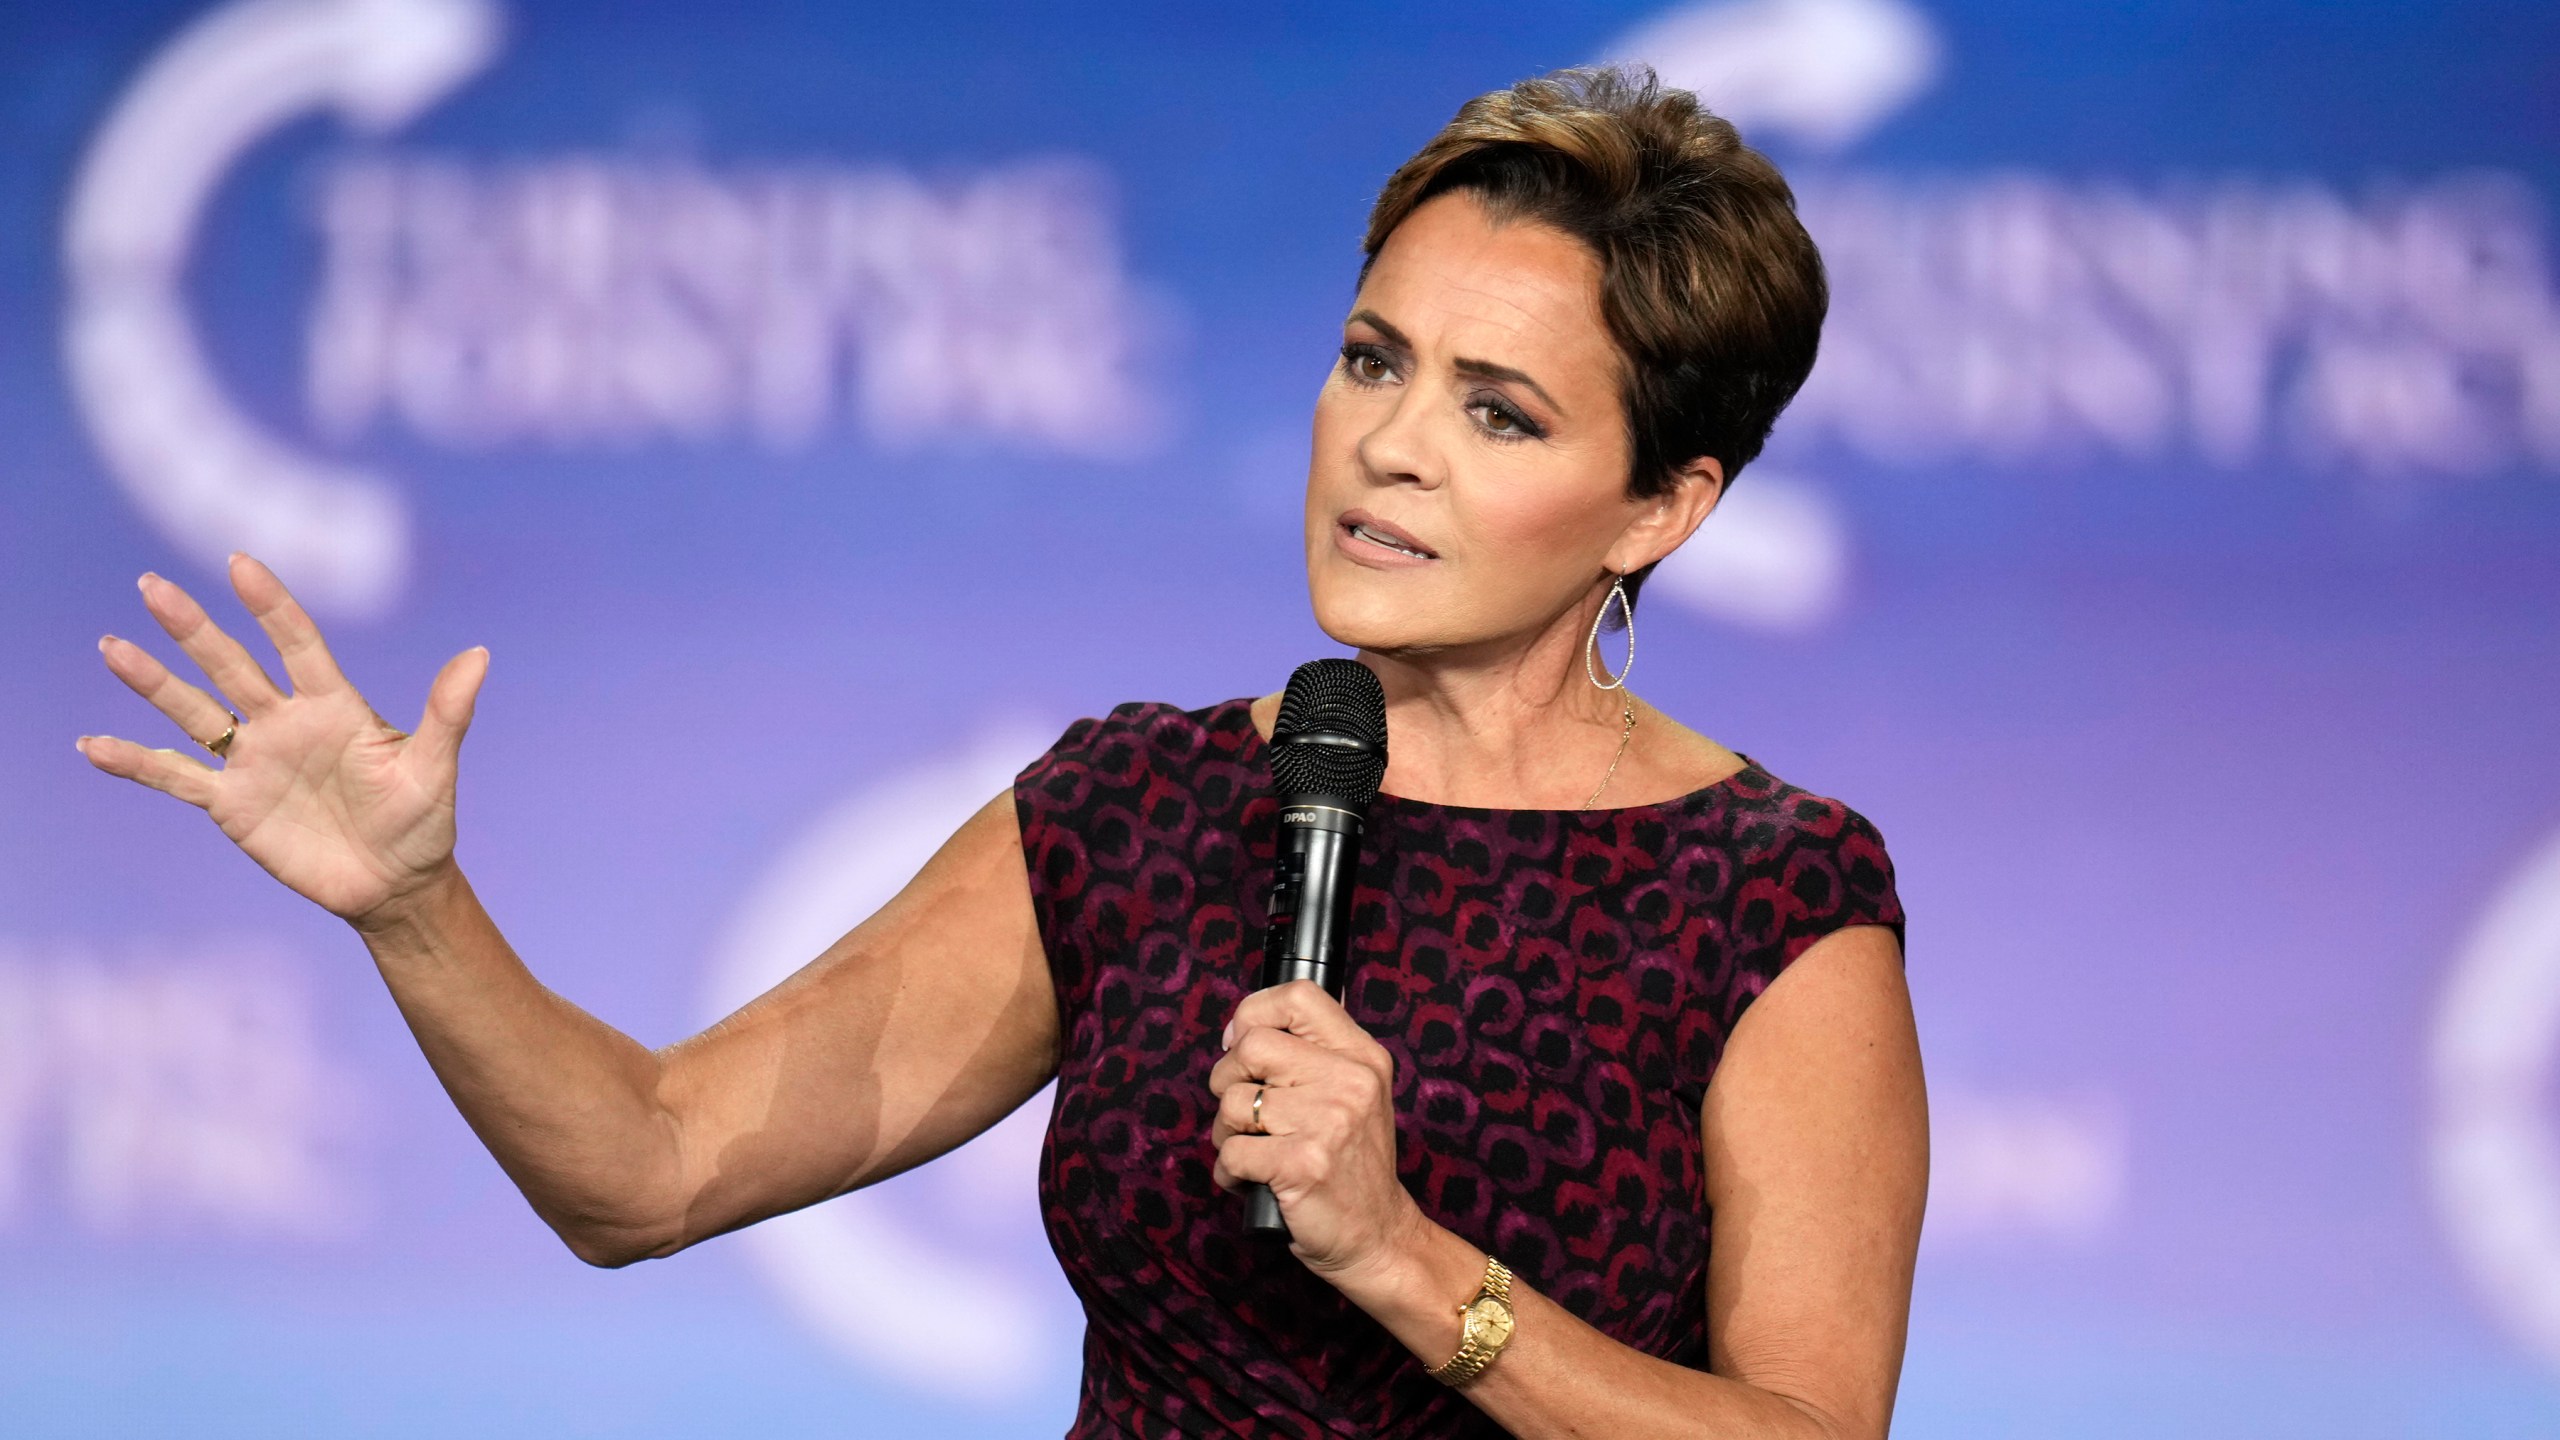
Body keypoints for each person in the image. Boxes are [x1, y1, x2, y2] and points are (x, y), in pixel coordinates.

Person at [77, 66, 1924, 1440]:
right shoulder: (1140, 808)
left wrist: (1403, 1261)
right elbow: (645, 1169)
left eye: (1496, 411)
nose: (1392, 447)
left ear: (1660, 508)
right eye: (1374, 360)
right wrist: (416, 911)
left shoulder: (1761, 890)